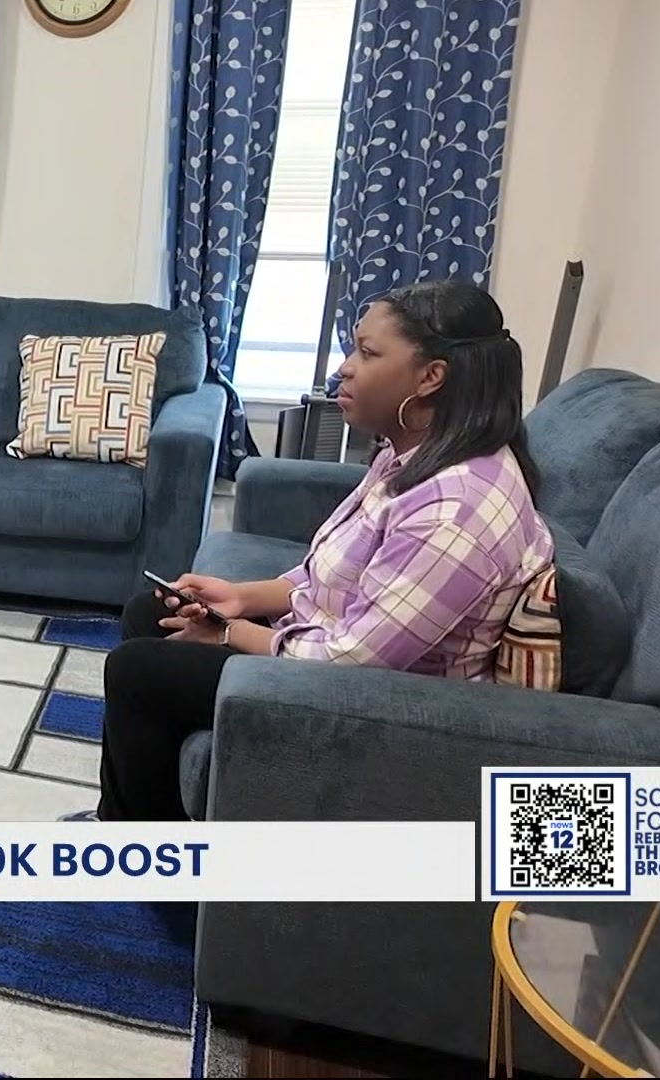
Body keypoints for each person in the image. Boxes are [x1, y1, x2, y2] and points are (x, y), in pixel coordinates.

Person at [69, 279, 556, 823]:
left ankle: (135, 839)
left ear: (430, 377)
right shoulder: (415, 455)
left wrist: (230, 632)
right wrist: (238, 597)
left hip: (380, 704)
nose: (345, 368)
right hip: (336, 651)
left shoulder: (457, 508)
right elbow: (328, 573)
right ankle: (148, 817)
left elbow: (352, 661)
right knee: (151, 613)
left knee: (139, 670)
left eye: (368, 353)